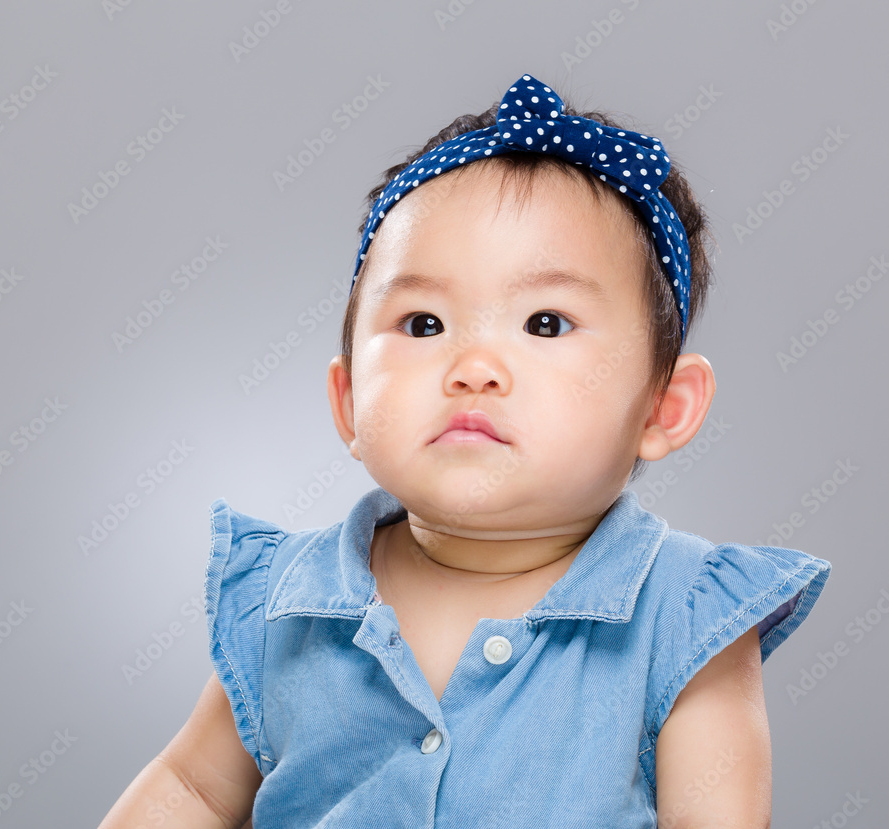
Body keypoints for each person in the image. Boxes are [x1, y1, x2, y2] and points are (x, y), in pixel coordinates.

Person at [98, 73, 831, 828]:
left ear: (662, 406)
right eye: (424, 324)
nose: (474, 366)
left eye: (545, 323)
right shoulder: (287, 601)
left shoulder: (686, 618)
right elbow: (192, 788)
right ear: (348, 402)